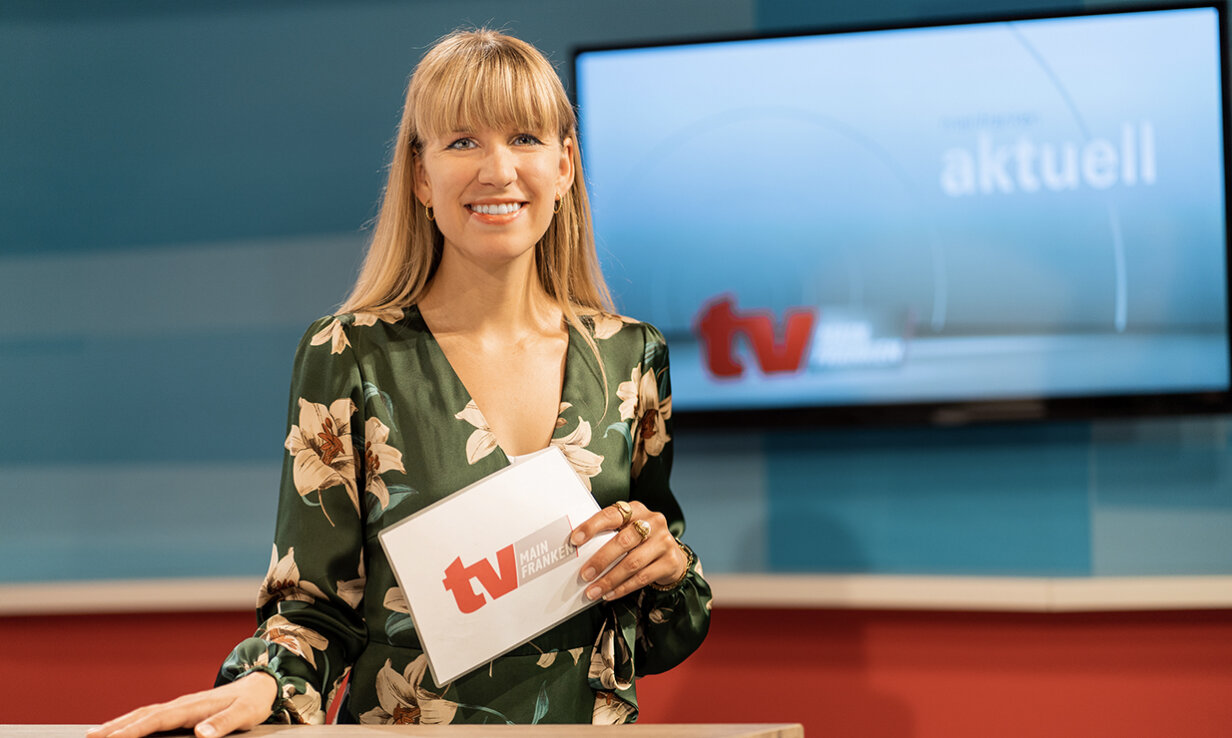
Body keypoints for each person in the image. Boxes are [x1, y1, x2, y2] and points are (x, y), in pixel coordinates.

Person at [89, 28, 711, 738]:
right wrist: (266, 679)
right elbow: (316, 604)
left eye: (525, 139)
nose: (498, 170)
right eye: (462, 142)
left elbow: (659, 632)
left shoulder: (632, 359)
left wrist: (665, 570)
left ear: (566, 165)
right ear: (421, 176)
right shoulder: (349, 353)